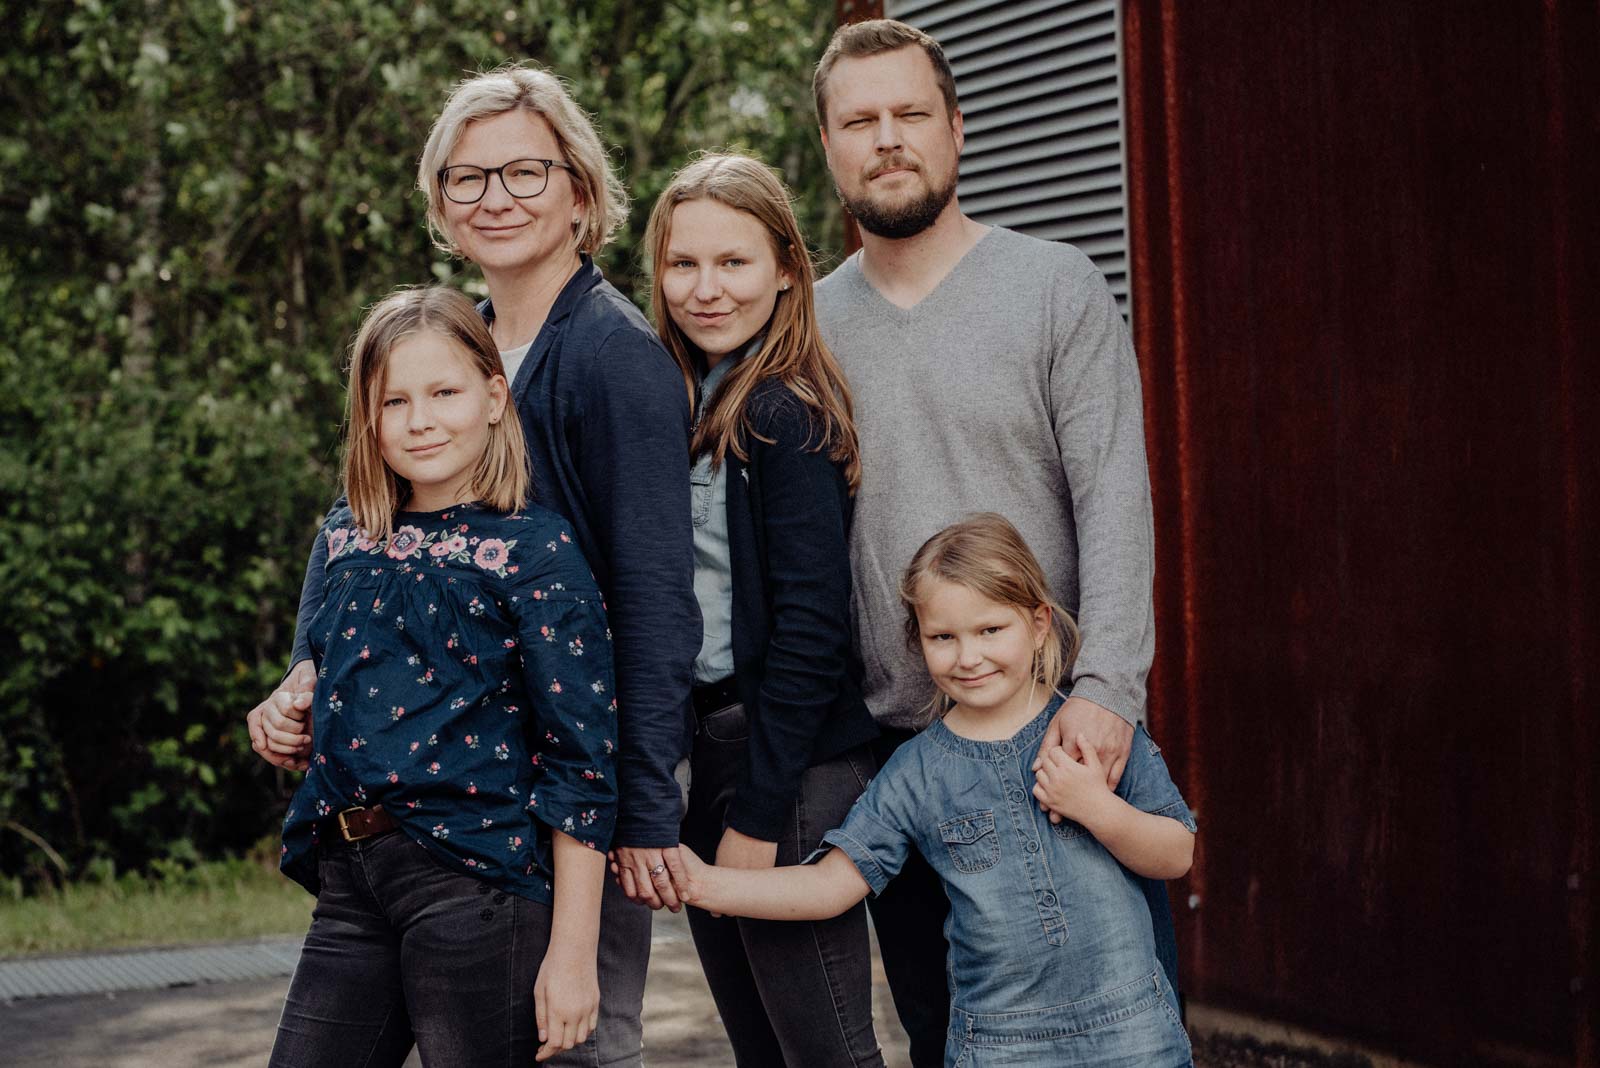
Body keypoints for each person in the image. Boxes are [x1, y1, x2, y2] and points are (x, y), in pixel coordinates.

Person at [248, 64, 699, 1068]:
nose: (495, 197)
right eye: (467, 179)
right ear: (440, 208)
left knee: (577, 1041)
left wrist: (640, 808)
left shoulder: (612, 354)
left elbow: (656, 597)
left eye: (525, 173)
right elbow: (368, 584)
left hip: (559, 804)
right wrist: (300, 684)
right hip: (404, 827)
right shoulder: (458, 346)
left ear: (579, 191)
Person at [809, 18, 1171, 1065]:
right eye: (858, 120)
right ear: (829, 146)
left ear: (956, 130)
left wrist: (1108, 689)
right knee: (949, 1039)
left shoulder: (1053, 285)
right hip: (906, 754)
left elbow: (1114, 493)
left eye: (910, 113)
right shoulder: (806, 328)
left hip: (1063, 738)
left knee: (1126, 1034)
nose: (887, 139)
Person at [664, 514, 1196, 1068]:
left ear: (1039, 623)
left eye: (991, 630)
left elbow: (1176, 853)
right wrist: (703, 884)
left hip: (1135, 1035)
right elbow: (830, 885)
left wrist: (1096, 808)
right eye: (943, 637)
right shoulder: (915, 771)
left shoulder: (1096, 732)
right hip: (998, 1046)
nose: (968, 657)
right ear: (917, 641)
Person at [268, 287, 615, 1066]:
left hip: (477, 884)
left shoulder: (535, 554)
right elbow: (316, 670)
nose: (420, 419)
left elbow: (582, 765)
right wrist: (284, 706)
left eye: (444, 392)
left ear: (495, 396)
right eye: (394, 400)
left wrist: (572, 954)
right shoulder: (345, 533)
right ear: (368, 416)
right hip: (352, 878)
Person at [639, 152, 884, 1066]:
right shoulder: (680, 400)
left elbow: (814, 627)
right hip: (712, 755)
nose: (705, 289)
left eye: (733, 262)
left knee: (826, 1051)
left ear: (787, 268)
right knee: (762, 1051)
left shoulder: (783, 413)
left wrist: (757, 813)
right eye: (683, 264)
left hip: (788, 765)